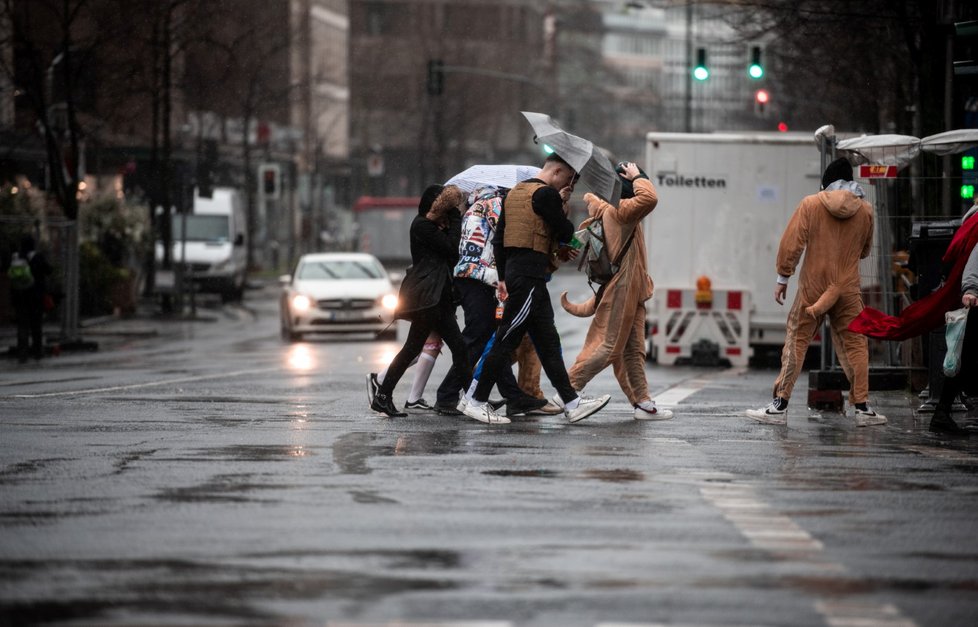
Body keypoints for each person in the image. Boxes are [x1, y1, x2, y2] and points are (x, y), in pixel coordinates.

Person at [461, 153, 611, 424]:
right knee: (507, 339)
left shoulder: (515, 192)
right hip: (530, 276)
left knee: (548, 341)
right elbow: (565, 233)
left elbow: (498, 240)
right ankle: (475, 400)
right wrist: (563, 202)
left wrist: (506, 276)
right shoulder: (546, 195)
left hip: (523, 276)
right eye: (569, 178)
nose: (570, 184)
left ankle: (571, 402)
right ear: (557, 171)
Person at [745, 157, 886, 427]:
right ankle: (862, 407)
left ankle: (780, 404)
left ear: (827, 182)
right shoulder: (865, 210)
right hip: (847, 288)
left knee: (797, 339)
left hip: (814, 287)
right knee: (856, 344)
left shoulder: (811, 204)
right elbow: (866, 250)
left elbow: (792, 244)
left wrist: (783, 277)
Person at [849, 202, 978, 435]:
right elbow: (974, 263)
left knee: (964, 356)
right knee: (964, 356)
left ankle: (942, 412)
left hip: (968, 296)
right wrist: (970, 289)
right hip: (972, 299)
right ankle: (942, 413)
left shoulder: (972, 218)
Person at [560, 161, 672, 420]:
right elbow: (650, 198)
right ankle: (568, 391)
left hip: (633, 289)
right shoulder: (622, 211)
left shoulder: (606, 210)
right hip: (623, 287)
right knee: (608, 346)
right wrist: (637, 176)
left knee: (633, 351)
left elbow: (579, 238)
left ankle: (643, 402)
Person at [433, 185, 549, 418]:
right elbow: (507, 236)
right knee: (478, 336)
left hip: (470, 276)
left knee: (492, 338)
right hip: (478, 277)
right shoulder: (494, 204)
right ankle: (446, 395)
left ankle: (513, 396)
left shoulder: (475, 206)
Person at [368, 185, 472, 418]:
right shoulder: (422, 225)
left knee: (449, 348)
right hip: (429, 298)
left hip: (437, 298)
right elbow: (451, 249)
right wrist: (456, 217)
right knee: (449, 348)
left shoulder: (433, 226)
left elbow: (450, 253)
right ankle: (473, 399)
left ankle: (473, 398)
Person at [9, 235, 51, 363]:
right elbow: (49, 270)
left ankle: (23, 354)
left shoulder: (16, 257)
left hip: (20, 296)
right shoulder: (38, 257)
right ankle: (37, 352)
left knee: (22, 326)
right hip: (35, 297)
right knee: (36, 326)